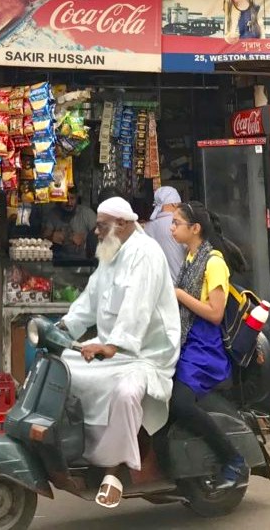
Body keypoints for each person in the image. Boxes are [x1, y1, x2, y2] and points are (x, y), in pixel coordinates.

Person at [58, 197, 180, 509]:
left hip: (147, 353)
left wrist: (114, 345)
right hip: (113, 347)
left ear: (122, 224)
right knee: (66, 367)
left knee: (125, 394)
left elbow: (137, 306)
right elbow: (90, 297)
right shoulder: (111, 252)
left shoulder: (146, 253)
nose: (96, 232)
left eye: (101, 226)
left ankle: (114, 471)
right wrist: (64, 328)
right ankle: (86, 455)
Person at [170, 201, 250, 490]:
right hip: (188, 343)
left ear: (195, 228)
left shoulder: (213, 262)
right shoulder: (191, 259)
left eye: (176, 223)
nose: (171, 228)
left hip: (204, 350)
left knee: (179, 403)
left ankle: (233, 459)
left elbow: (215, 314)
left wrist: (179, 294)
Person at [42, 189, 97, 260]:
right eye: (65, 199)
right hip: (58, 262)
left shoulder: (87, 214)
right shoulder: (52, 214)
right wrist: (51, 237)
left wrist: (86, 239)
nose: (69, 203)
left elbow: (102, 238)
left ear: (77, 198)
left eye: (72, 198)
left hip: (83, 262)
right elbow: (43, 238)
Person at [145, 186, 186, 281]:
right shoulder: (182, 223)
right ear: (174, 204)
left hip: (160, 288)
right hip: (182, 287)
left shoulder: (148, 227)